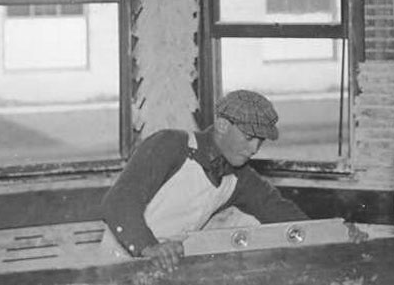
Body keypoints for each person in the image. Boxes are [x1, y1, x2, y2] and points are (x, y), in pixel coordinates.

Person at [100, 89, 306, 274]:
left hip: (166, 270)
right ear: (223, 124)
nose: (254, 149)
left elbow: (280, 211)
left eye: (260, 142)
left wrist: (331, 235)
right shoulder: (170, 145)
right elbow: (118, 201)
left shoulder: (239, 177)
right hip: (117, 265)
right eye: (249, 137)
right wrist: (149, 247)